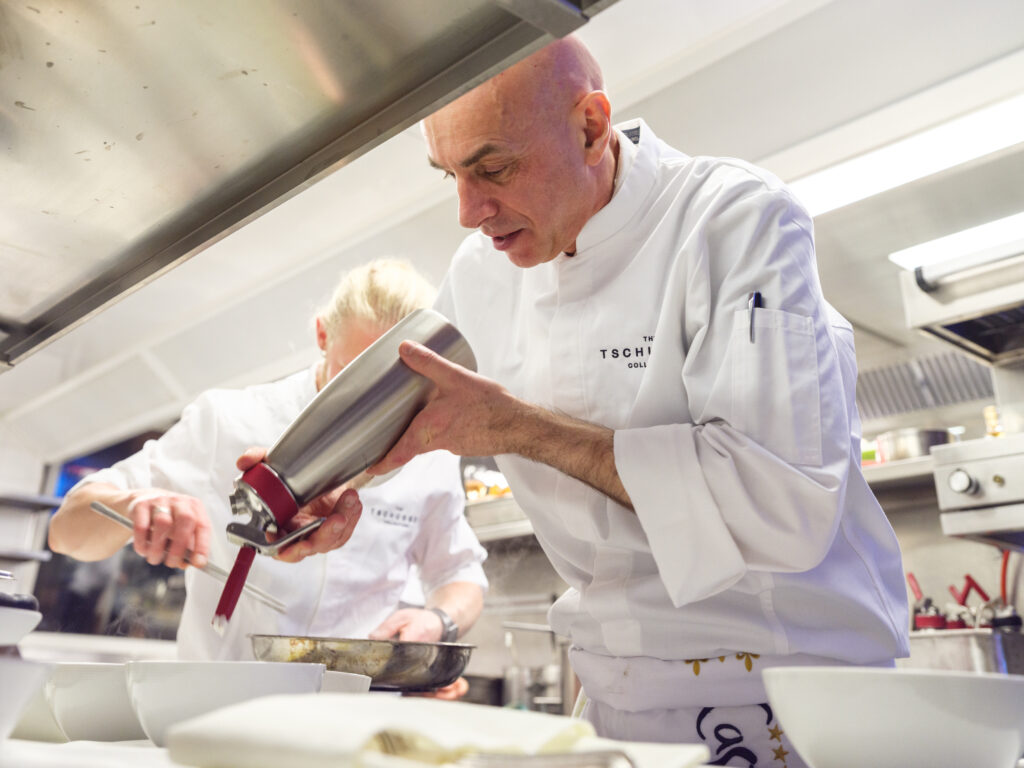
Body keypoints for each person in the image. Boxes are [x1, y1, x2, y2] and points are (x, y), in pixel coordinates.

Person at [362, 36, 910, 760]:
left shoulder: (733, 220)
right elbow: (413, 415)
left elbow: (781, 508)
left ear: (591, 127)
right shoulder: (481, 272)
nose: (469, 210)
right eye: (451, 176)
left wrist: (520, 428)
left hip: (783, 696)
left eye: (493, 167)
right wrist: (327, 489)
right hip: (614, 700)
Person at [49, 259, 488, 667]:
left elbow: (460, 574)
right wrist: (134, 506)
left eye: (392, 389)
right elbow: (66, 531)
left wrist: (437, 622)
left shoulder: (430, 457)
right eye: (351, 375)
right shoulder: (227, 419)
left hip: (355, 715)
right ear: (322, 335)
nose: (368, 406)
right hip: (220, 707)